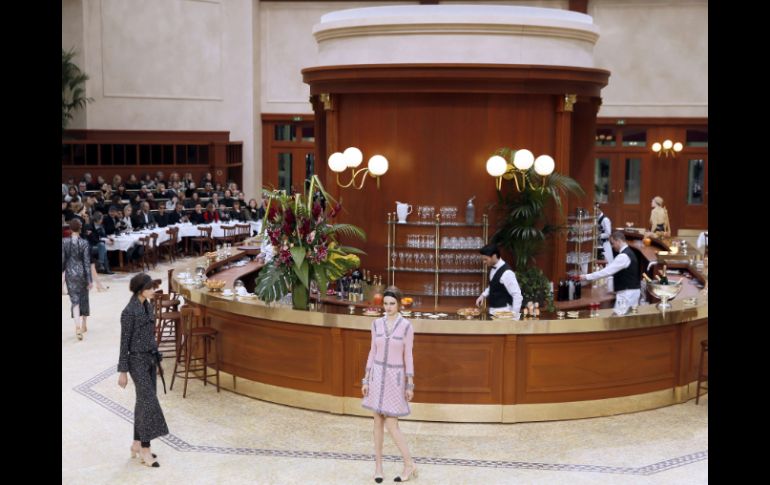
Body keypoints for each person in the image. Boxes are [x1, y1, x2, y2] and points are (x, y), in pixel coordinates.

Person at [361, 286, 417, 483]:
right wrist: (366, 379)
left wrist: (410, 383)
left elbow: (408, 355)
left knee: (392, 425)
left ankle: (409, 465)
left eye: (392, 303)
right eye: (385, 303)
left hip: (395, 378)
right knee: (377, 421)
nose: (388, 307)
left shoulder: (407, 326)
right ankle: (378, 467)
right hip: (377, 376)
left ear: (399, 304)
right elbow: (372, 351)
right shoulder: (376, 324)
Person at [117, 273, 169, 468]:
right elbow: (124, 343)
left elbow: (150, 335)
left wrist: (156, 360)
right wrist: (122, 371)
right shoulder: (129, 312)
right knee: (148, 403)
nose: (154, 290)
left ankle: (136, 444)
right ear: (141, 290)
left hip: (150, 359)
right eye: (150, 287)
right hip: (136, 361)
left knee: (142, 403)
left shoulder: (148, 305)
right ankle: (146, 450)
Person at [577, 231, 641, 313]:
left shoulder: (623, 256)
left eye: (613, 243)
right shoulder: (629, 252)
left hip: (627, 294)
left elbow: (606, 272)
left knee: (619, 320)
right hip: (630, 292)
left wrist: (586, 276)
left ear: (618, 241)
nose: (612, 246)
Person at [62, 218, 92, 340]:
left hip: (70, 273)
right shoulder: (84, 243)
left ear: (69, 228)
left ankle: (77, 327)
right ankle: (84, 324)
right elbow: (86, 263)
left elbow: (63, 261)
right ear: (80, 228)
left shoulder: (64, 242)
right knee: (84, 298)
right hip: (82, 274)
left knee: (75, 301)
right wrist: (89, 279)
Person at [475, 243, 523, 317]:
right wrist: (483, 295)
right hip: (493, 312)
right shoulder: (493, 268)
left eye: (485, 259)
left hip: (504, 313)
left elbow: (517, 295)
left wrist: (515, 318)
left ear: (494, 256)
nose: (484, 262)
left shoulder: (507, 273)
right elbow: (493, 285)